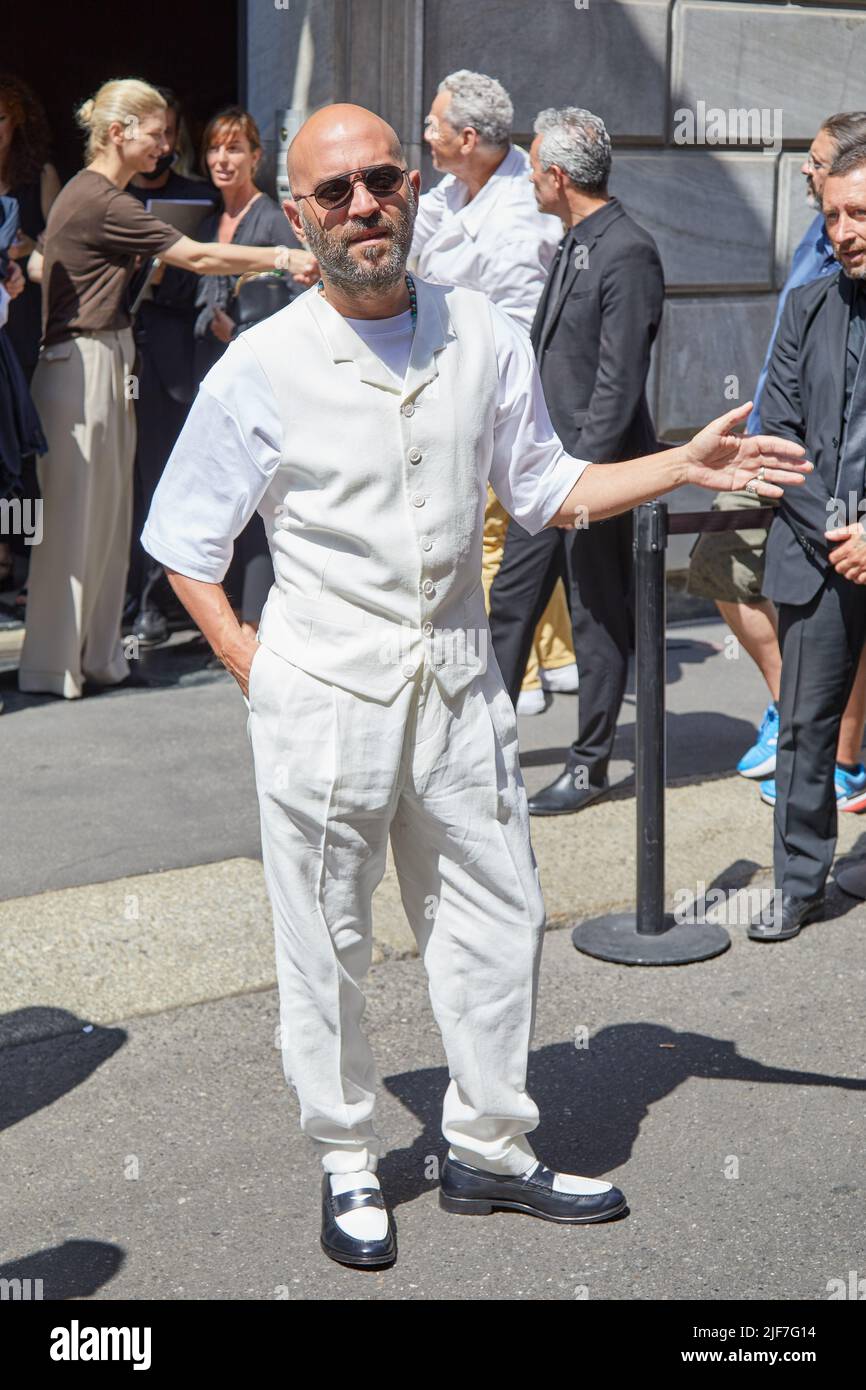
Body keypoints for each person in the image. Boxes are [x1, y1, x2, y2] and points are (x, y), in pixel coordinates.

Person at [140, 103, 809, 1269]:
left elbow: (549, 486)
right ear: (299, 215)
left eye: (382, 181)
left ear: (409, 188)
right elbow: (187, 546)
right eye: (335, 193)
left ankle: (489, 1147)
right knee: (326, 936)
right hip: (321, 691)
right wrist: (262, 671)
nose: (364, 207)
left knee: (496, 918)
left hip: (457, 681)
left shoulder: (481, 331)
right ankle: (348, 1155)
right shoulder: (262, 363)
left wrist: (679, 466)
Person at [17, 77, 315, 700]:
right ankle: (54, 666)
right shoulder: (101, 198)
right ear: (120, 133)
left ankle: (96, 659)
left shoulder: (97, 194)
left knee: (102, 519)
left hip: (98, 358)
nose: (164, 149)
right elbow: (200, 258)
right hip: (84, 362)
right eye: (155, 135)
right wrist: (283, 259)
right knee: (76, 524)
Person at [687, 112, 866, 810]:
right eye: (833, 211)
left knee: (842, 608)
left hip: (829, 467)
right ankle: (794, 711)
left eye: (817, 160)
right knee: (721, 565)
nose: (804, 169)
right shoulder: (816, 239)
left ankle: (837, 753)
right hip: (775, 446)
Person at [489, 107, 664, 815]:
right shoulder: (575, 240)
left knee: (596, 618)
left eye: (534, 167)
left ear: (557, 176)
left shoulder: (628, 250)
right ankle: (485, 747)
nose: (528, 178)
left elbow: (618, 386)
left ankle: (590, 764)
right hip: (546, 469)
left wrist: (581, 482)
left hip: (592, 478)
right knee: (508, 602)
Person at [411, 69, 576, 716]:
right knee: (517, 526)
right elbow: (412, 242)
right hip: (452, 377)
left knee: (485, 532)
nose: (423, 134)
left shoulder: (517, 208)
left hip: (500, 389)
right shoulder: (453, 189)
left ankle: (521, 678)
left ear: (469, 136)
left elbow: (521, 318)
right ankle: (556, 658)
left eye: (433, 124)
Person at [749, 142, 866, 942]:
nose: (843, 229)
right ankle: (798, 881)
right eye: (832, 215)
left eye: (859, 213)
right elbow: (780, 438)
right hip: (820, 550)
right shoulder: (807, 306)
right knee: (804, 729)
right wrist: (841, 530)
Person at [193, 106, 307, 641]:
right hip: (204, 375)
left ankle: (256, 620)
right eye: (215, 149)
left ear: (256, 157)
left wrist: (236, 330)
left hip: (259, 377)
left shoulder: (272, 220)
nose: (222, 159)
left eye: (234, 148)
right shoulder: (203, 221)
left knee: (259, 493)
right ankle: (215, 612)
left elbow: (296, 296)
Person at [124, 88, 219, 647]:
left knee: (165, 477)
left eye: (168, 135)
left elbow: (201, 276)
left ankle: (159, 601)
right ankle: (128, 599)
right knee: (123, 482)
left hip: (174, 353)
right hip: (118, 350)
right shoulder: (110, 197)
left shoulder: (196, 198)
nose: (161, 148)